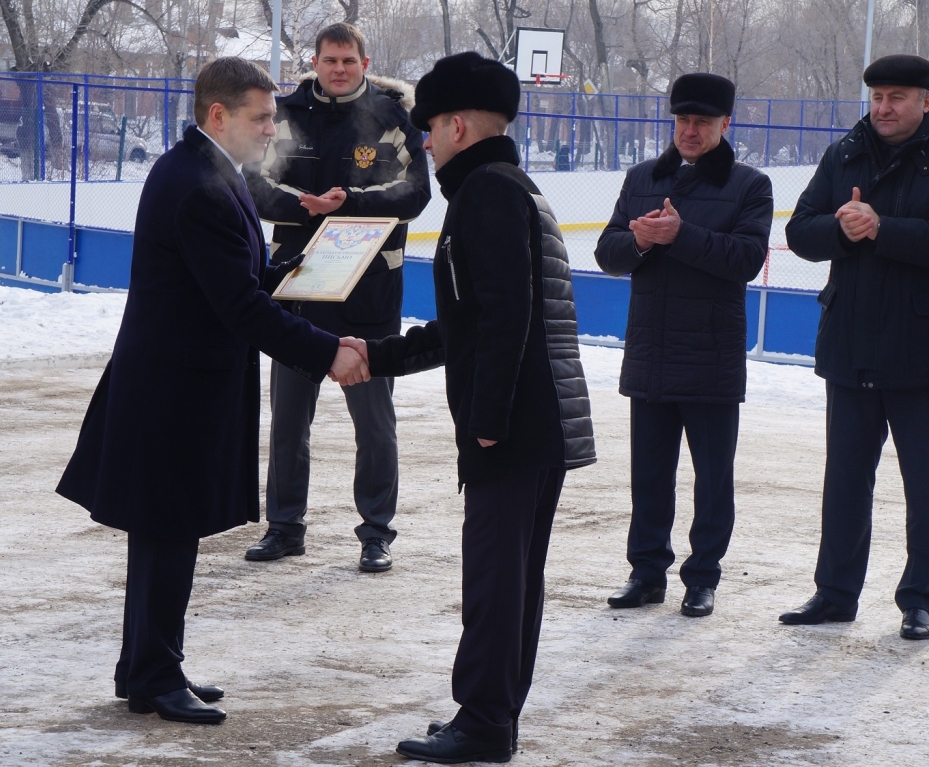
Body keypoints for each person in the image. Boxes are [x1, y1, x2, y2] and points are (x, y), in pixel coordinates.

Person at [55, 57, 369, 725]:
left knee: (162, 532)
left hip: (171, 384)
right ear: (218, 115)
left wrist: (293, 263)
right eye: (259, 118)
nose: (269, 129)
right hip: (177, 392)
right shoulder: (201, 186)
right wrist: (330, 353)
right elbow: (242, 310)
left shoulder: (198, 171)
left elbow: (233, 278)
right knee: (169, 529)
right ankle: (155, 674)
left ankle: (146, 663)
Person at [343, 52, 595, 763]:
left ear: (458, 125)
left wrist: (487, 422)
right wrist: (379, 354)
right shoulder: (508, 187)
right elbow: (469, 323)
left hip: (513, 426)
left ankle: (484, 720)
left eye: (430, 129)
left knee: (493, 578)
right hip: (537, 421)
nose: (425, 141)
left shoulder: (486, 192)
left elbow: (506, 316)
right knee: (513, 578)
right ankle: (494, 715)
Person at [779, 55, 929, 640]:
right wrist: (841, 230)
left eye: (896, 97)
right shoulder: (845, 152)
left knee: (925, 484)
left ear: (927, 101)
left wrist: (881, 227)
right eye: (876, 96)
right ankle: (834, 592)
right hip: (851, 341)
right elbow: (800, 231)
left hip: (925, 350)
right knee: (845, 477)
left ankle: (920, 599)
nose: (883, 108)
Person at [244, 22, 431, 572]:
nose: (339, 69)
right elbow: (253, 185)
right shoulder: (285, 115)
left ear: (365, 63)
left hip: (369, 292)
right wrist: (305, 204)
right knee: (288, 421)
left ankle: (376, 532)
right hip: (299, 288)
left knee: (374, 423)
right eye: (330, 61)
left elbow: (415, 193)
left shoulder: (396, 118)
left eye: (349, 60)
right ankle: (284, 527)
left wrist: (346, 202)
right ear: (316, 62)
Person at [595, 73, 773, 618]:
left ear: (725, 123)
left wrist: (681, 235)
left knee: (712, 478)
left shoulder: (749, 185)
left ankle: (703, 577)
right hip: (650, 351)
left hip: (712, 356)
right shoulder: (642, 177)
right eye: (682, 120)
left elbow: (745, 259)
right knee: (649, 475)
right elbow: (607, 253)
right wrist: (639, 240)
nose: (690, 131)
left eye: (702, 121)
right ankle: (646, 572)